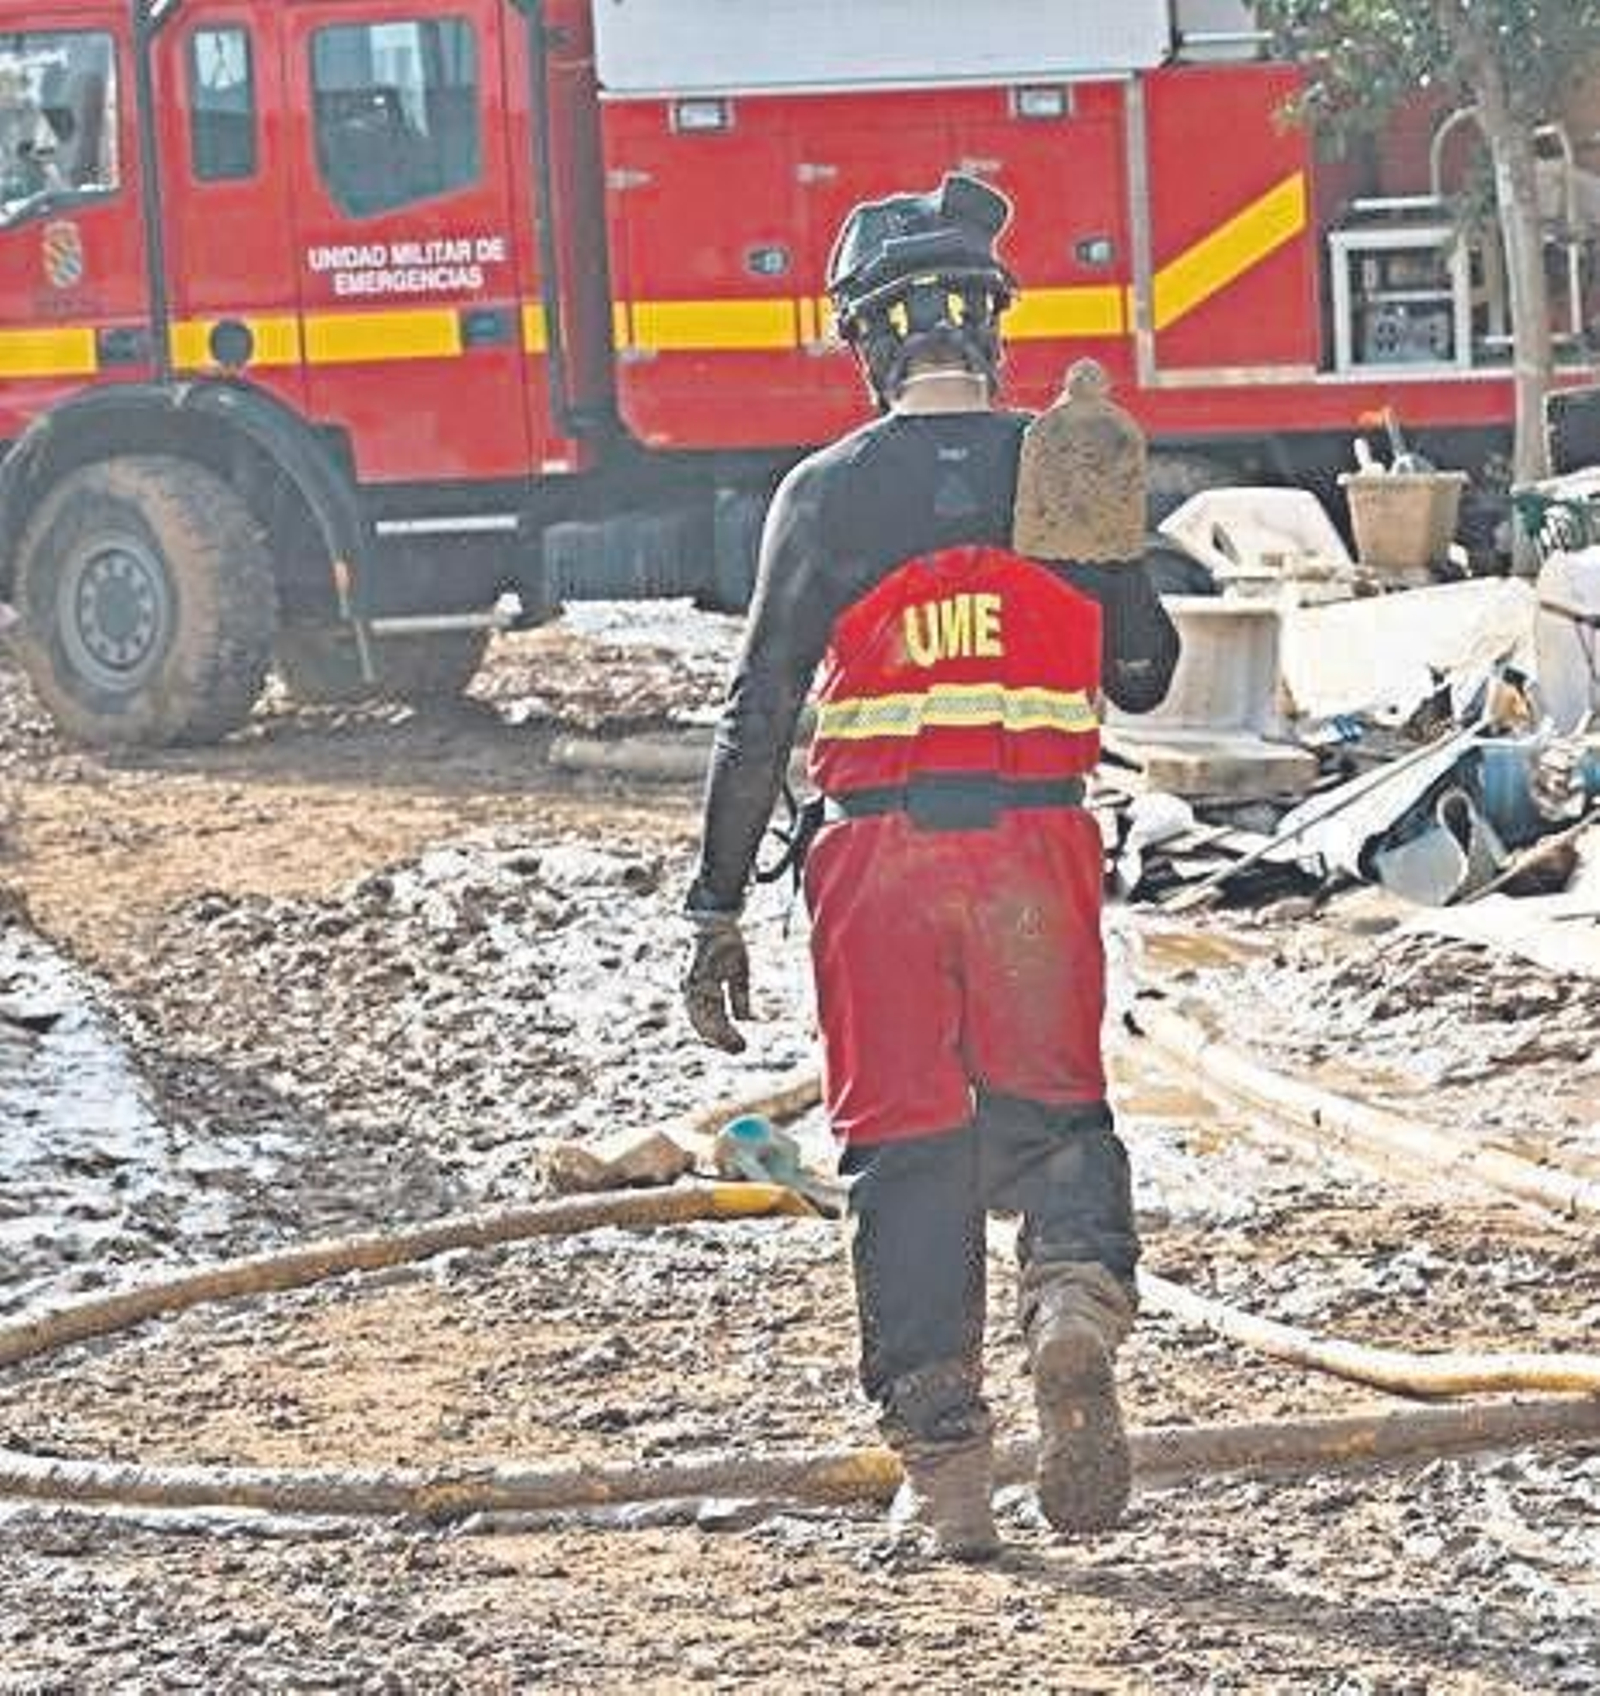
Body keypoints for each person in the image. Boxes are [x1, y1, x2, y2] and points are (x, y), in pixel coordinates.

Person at [682, 174, 1179, 1560]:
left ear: (868, 338)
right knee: (1059, 1115)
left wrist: (714, 904)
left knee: (905, 1155)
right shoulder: (1058, 464)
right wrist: (1106, 533)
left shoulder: (827, 493)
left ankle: (949, 1481)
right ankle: (1073, 1301)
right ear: (994, 329)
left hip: (878, 867)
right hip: (1036, 850)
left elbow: (759, 712)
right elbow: (1142, 676)